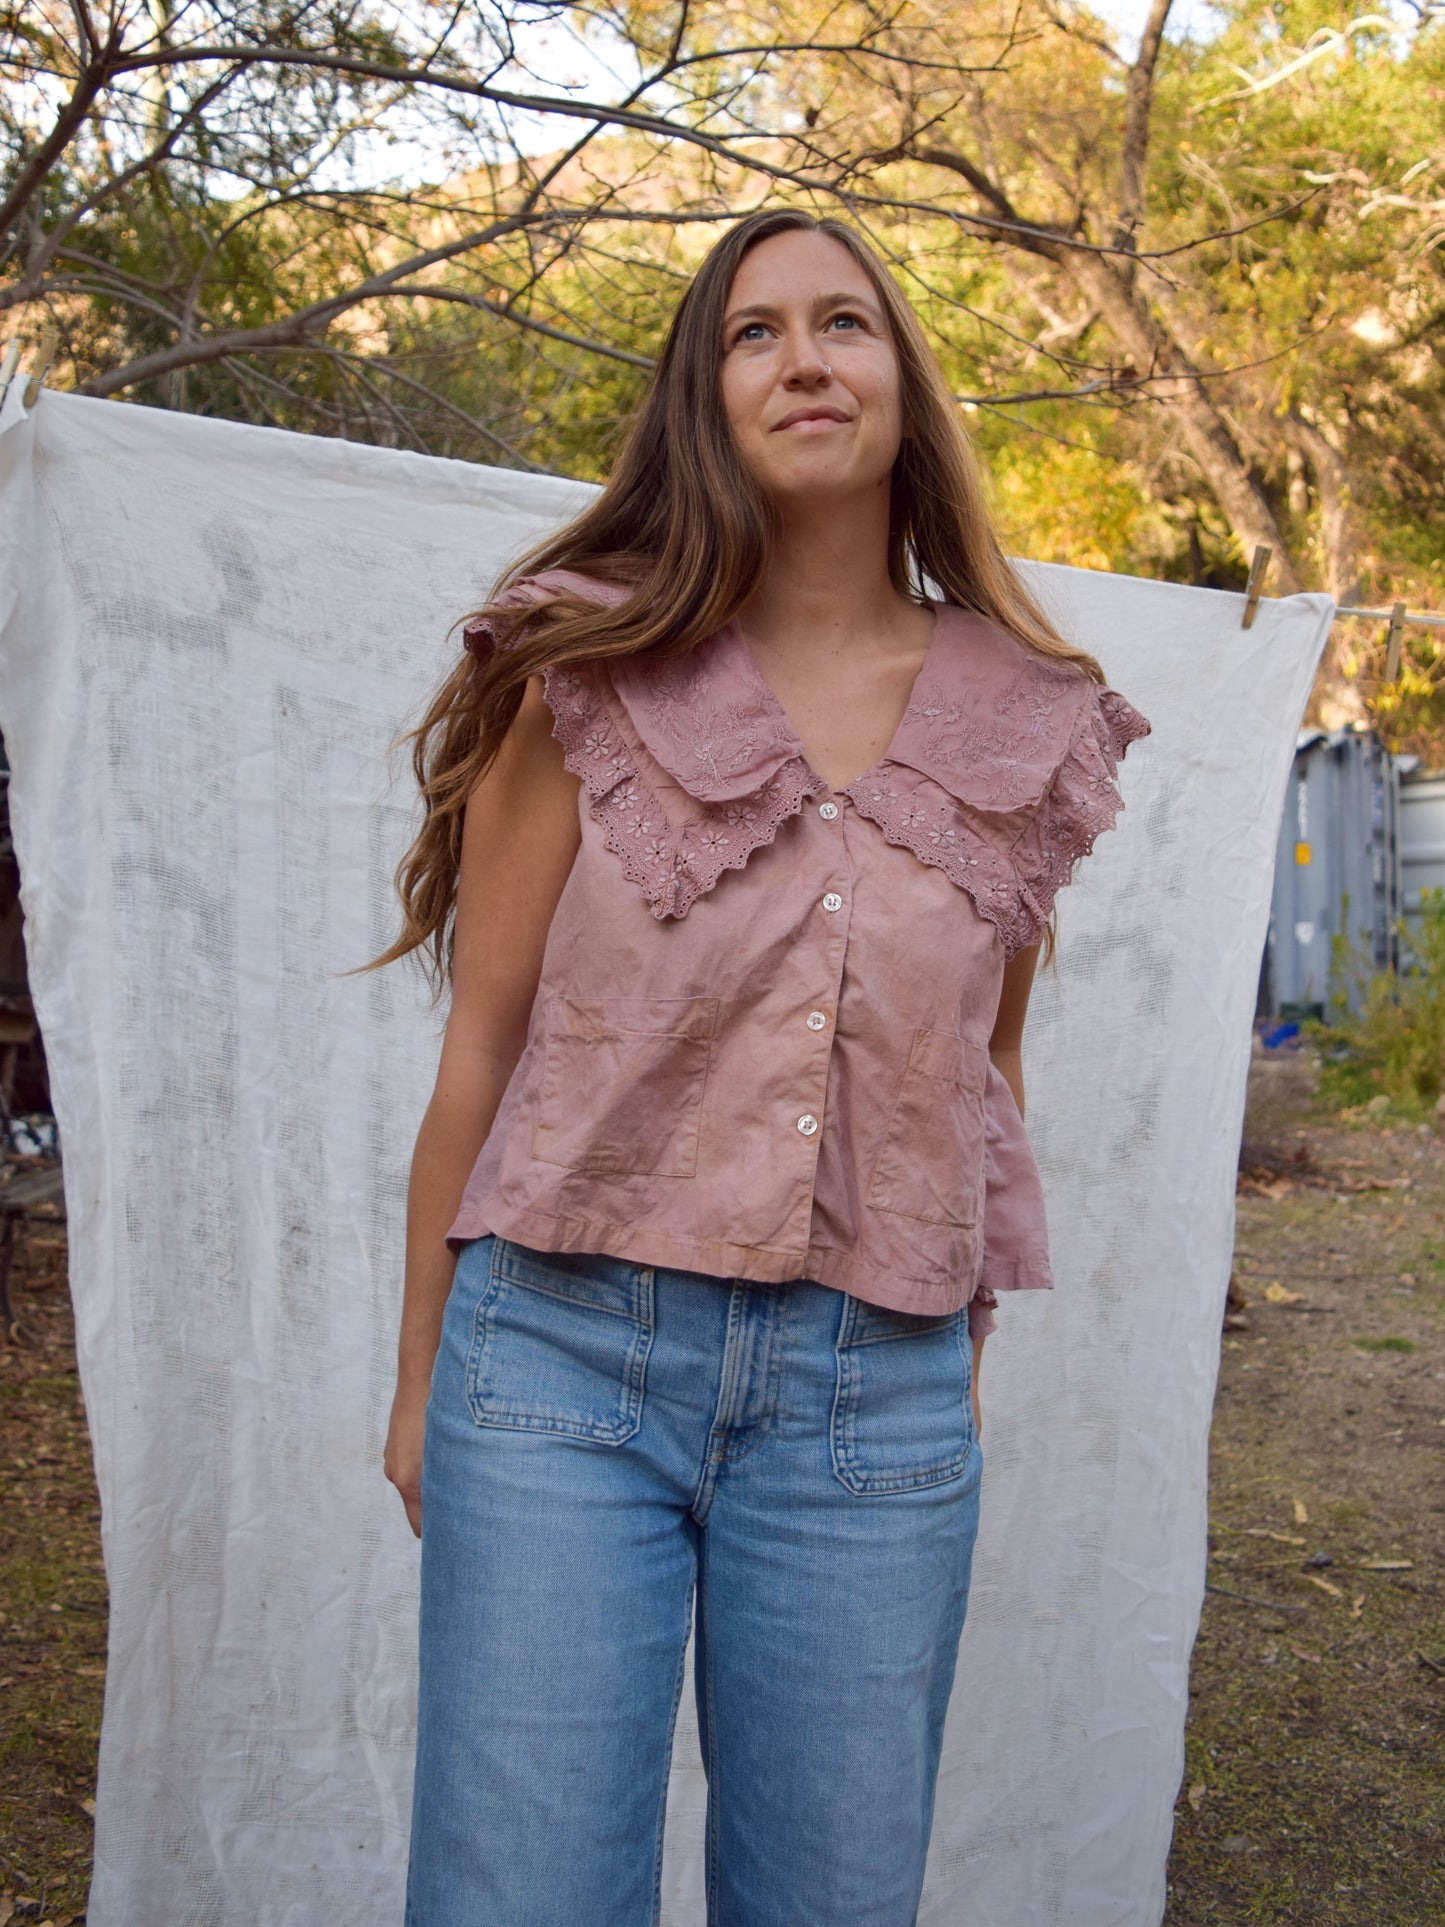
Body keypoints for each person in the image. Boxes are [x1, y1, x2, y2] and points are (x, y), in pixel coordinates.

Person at [379, 206, 1150, 1925]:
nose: (802, 359)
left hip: (864, 1409)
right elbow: (481, 1049)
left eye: (842, 325)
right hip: (557, 1365)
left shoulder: (1025, 717)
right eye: (751, 333)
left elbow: (976, 1082)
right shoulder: (582, 668)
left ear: (903, 383)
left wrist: (939, 1353)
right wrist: (424, 1381)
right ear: (703, 398)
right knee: (521, 1900)